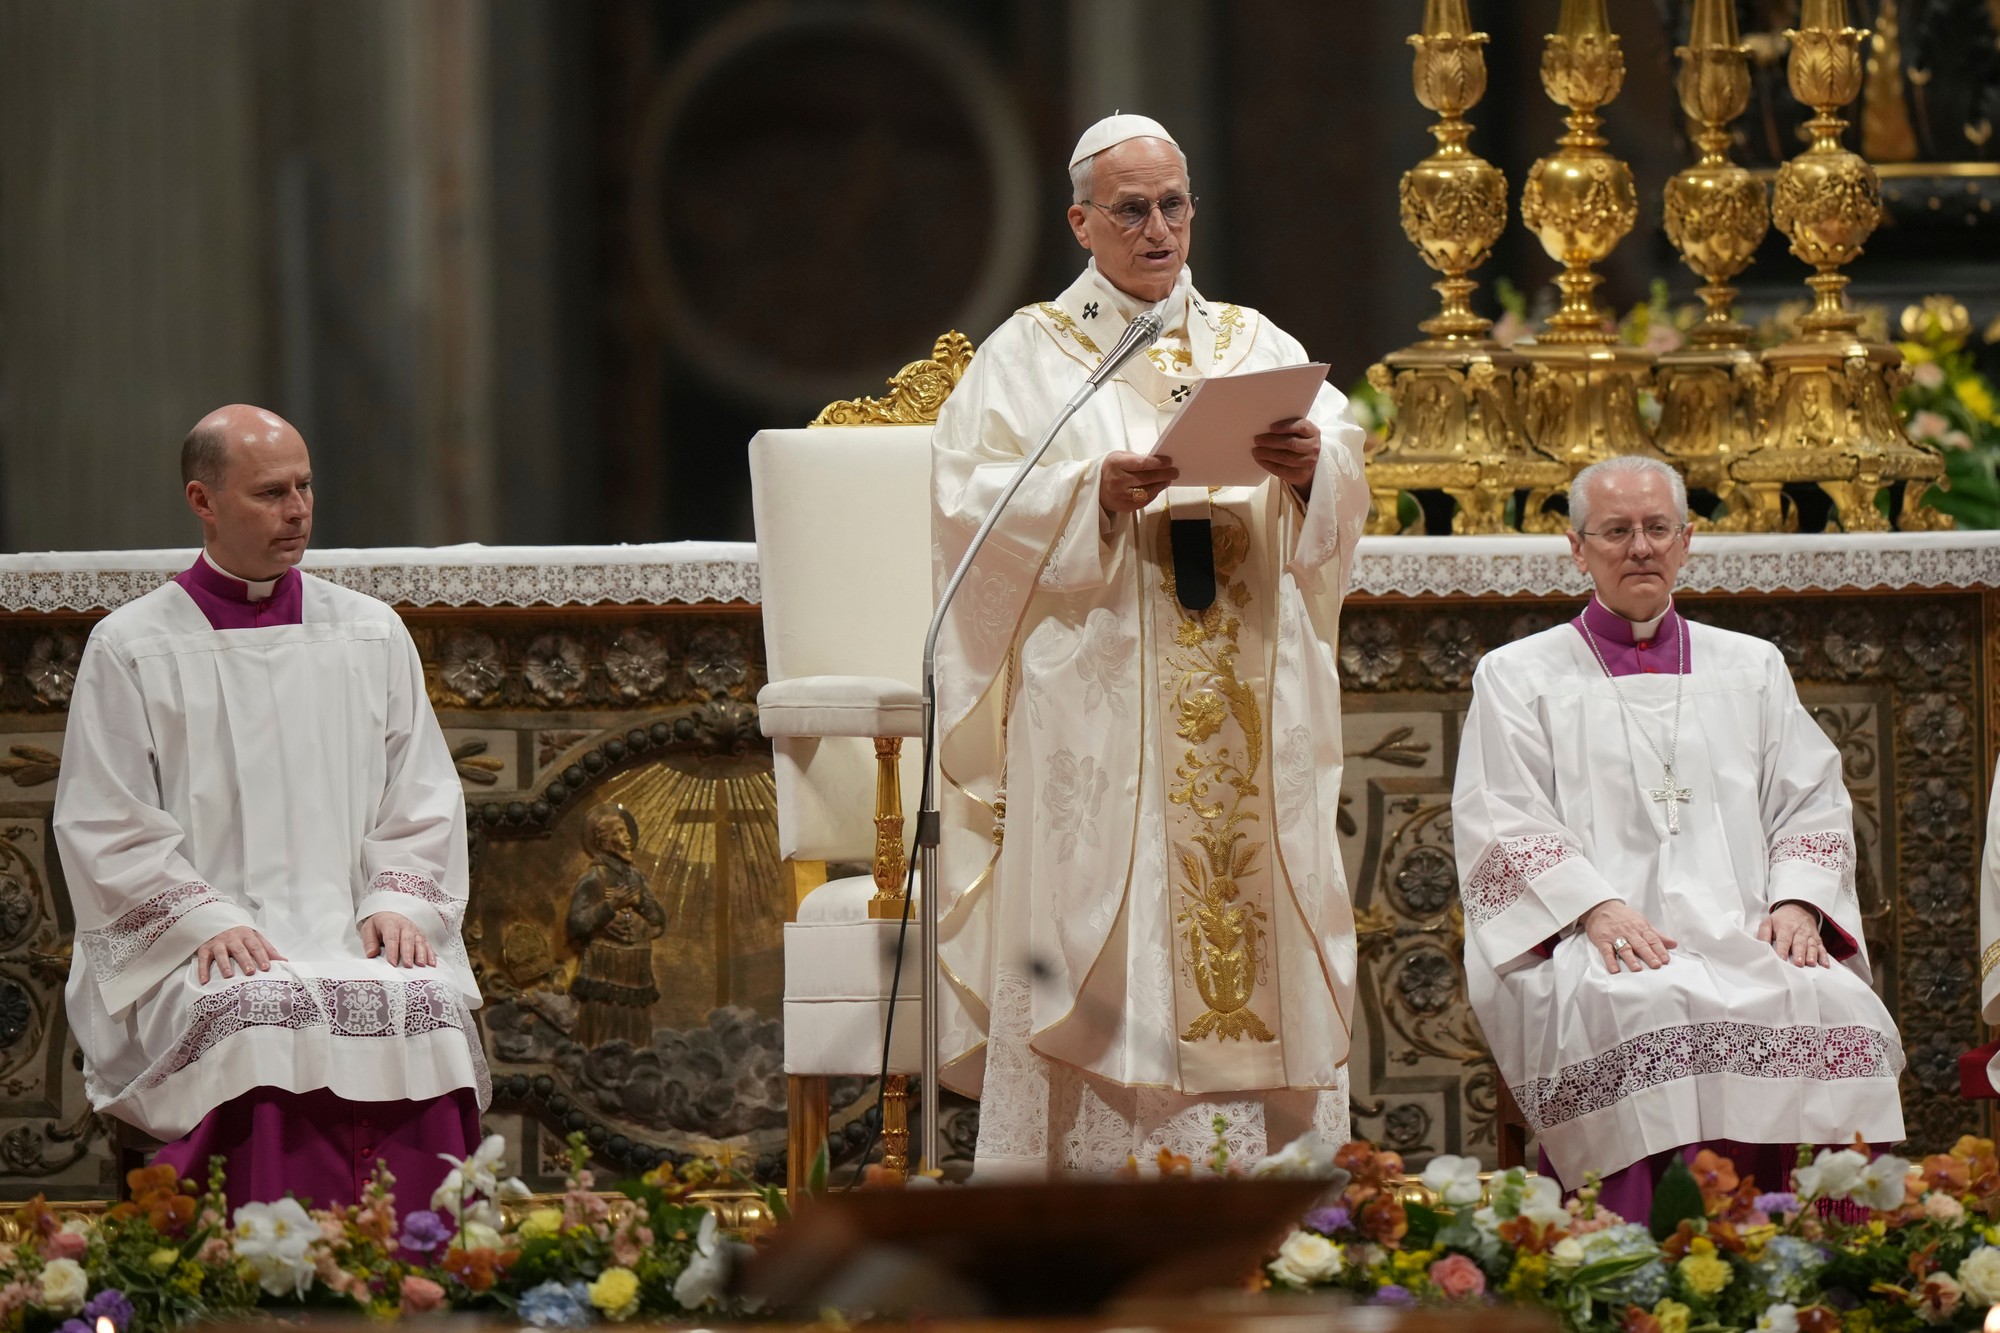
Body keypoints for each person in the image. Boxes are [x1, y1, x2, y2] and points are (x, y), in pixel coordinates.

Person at [930, 114, 1369, 1173]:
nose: (1158, 226)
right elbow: (963, 506)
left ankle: (1269, 1190)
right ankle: (1093, 1177)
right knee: (1108, 917)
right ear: (1082, 221)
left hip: (1244, 693)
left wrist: (1310, 465)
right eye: (1131, 208)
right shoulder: (1026, 357)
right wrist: (1092, 493)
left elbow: (1343, 475)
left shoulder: (1252, 343)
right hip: (1101, 696)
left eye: (1173, 204)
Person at [56, 404, 487, 1210]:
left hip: (350, 924)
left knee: (421, 1000)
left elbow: (422, 792)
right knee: (255, 1012)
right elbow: (105, 823)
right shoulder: (132, 645)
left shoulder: (369, 632)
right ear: (202, 499)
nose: (297, 511)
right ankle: (246, 1266)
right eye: (270, 493)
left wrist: (397, 899)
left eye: (305, 487)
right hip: (202, 944)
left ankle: (431, 1253)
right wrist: (205, 921)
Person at [1454, 454, 1904, 1216]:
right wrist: (1594, 907)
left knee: (1838, 1006)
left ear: (1687, 540)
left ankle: (1831, 1262)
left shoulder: (1751, 666)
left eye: (1658, 528)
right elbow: (1503, 816)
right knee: (1648, 1007)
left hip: (1748, 928)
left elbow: (1812, 801)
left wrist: (1798, 902)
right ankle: (1635, 1255)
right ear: (1577, 547)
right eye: (1617, 531)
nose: (1640, 547)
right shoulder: (1518, 675)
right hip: (1599, 938)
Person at [566, 804, 666, 1048]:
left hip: (635, 969)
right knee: (604, 1025)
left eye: (626, 831)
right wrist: (609, 906)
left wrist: (639, 901)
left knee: (635, 1028)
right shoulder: (594, 878)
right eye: (620, 832)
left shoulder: (635, 878)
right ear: (603, 842)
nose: (627, 838)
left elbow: (659, 920)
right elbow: (576, 924)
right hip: (604, 967)